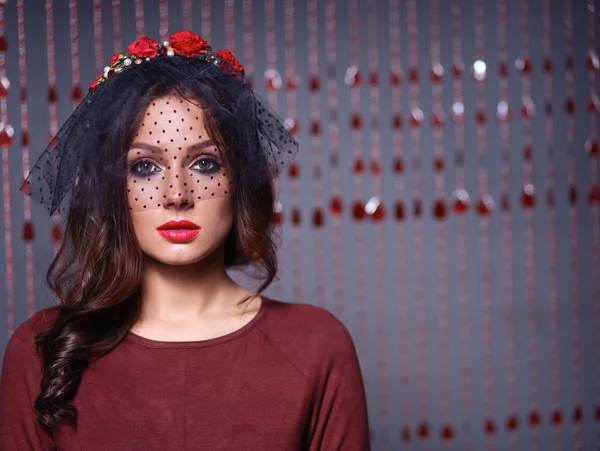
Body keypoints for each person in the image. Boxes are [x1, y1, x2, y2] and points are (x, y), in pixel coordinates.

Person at [0, 30, 370, 450]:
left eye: (205, 163)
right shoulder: (43, 350)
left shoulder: (315, 346)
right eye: (144, 168)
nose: (177, 194)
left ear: (240, 179)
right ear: (110, 187)